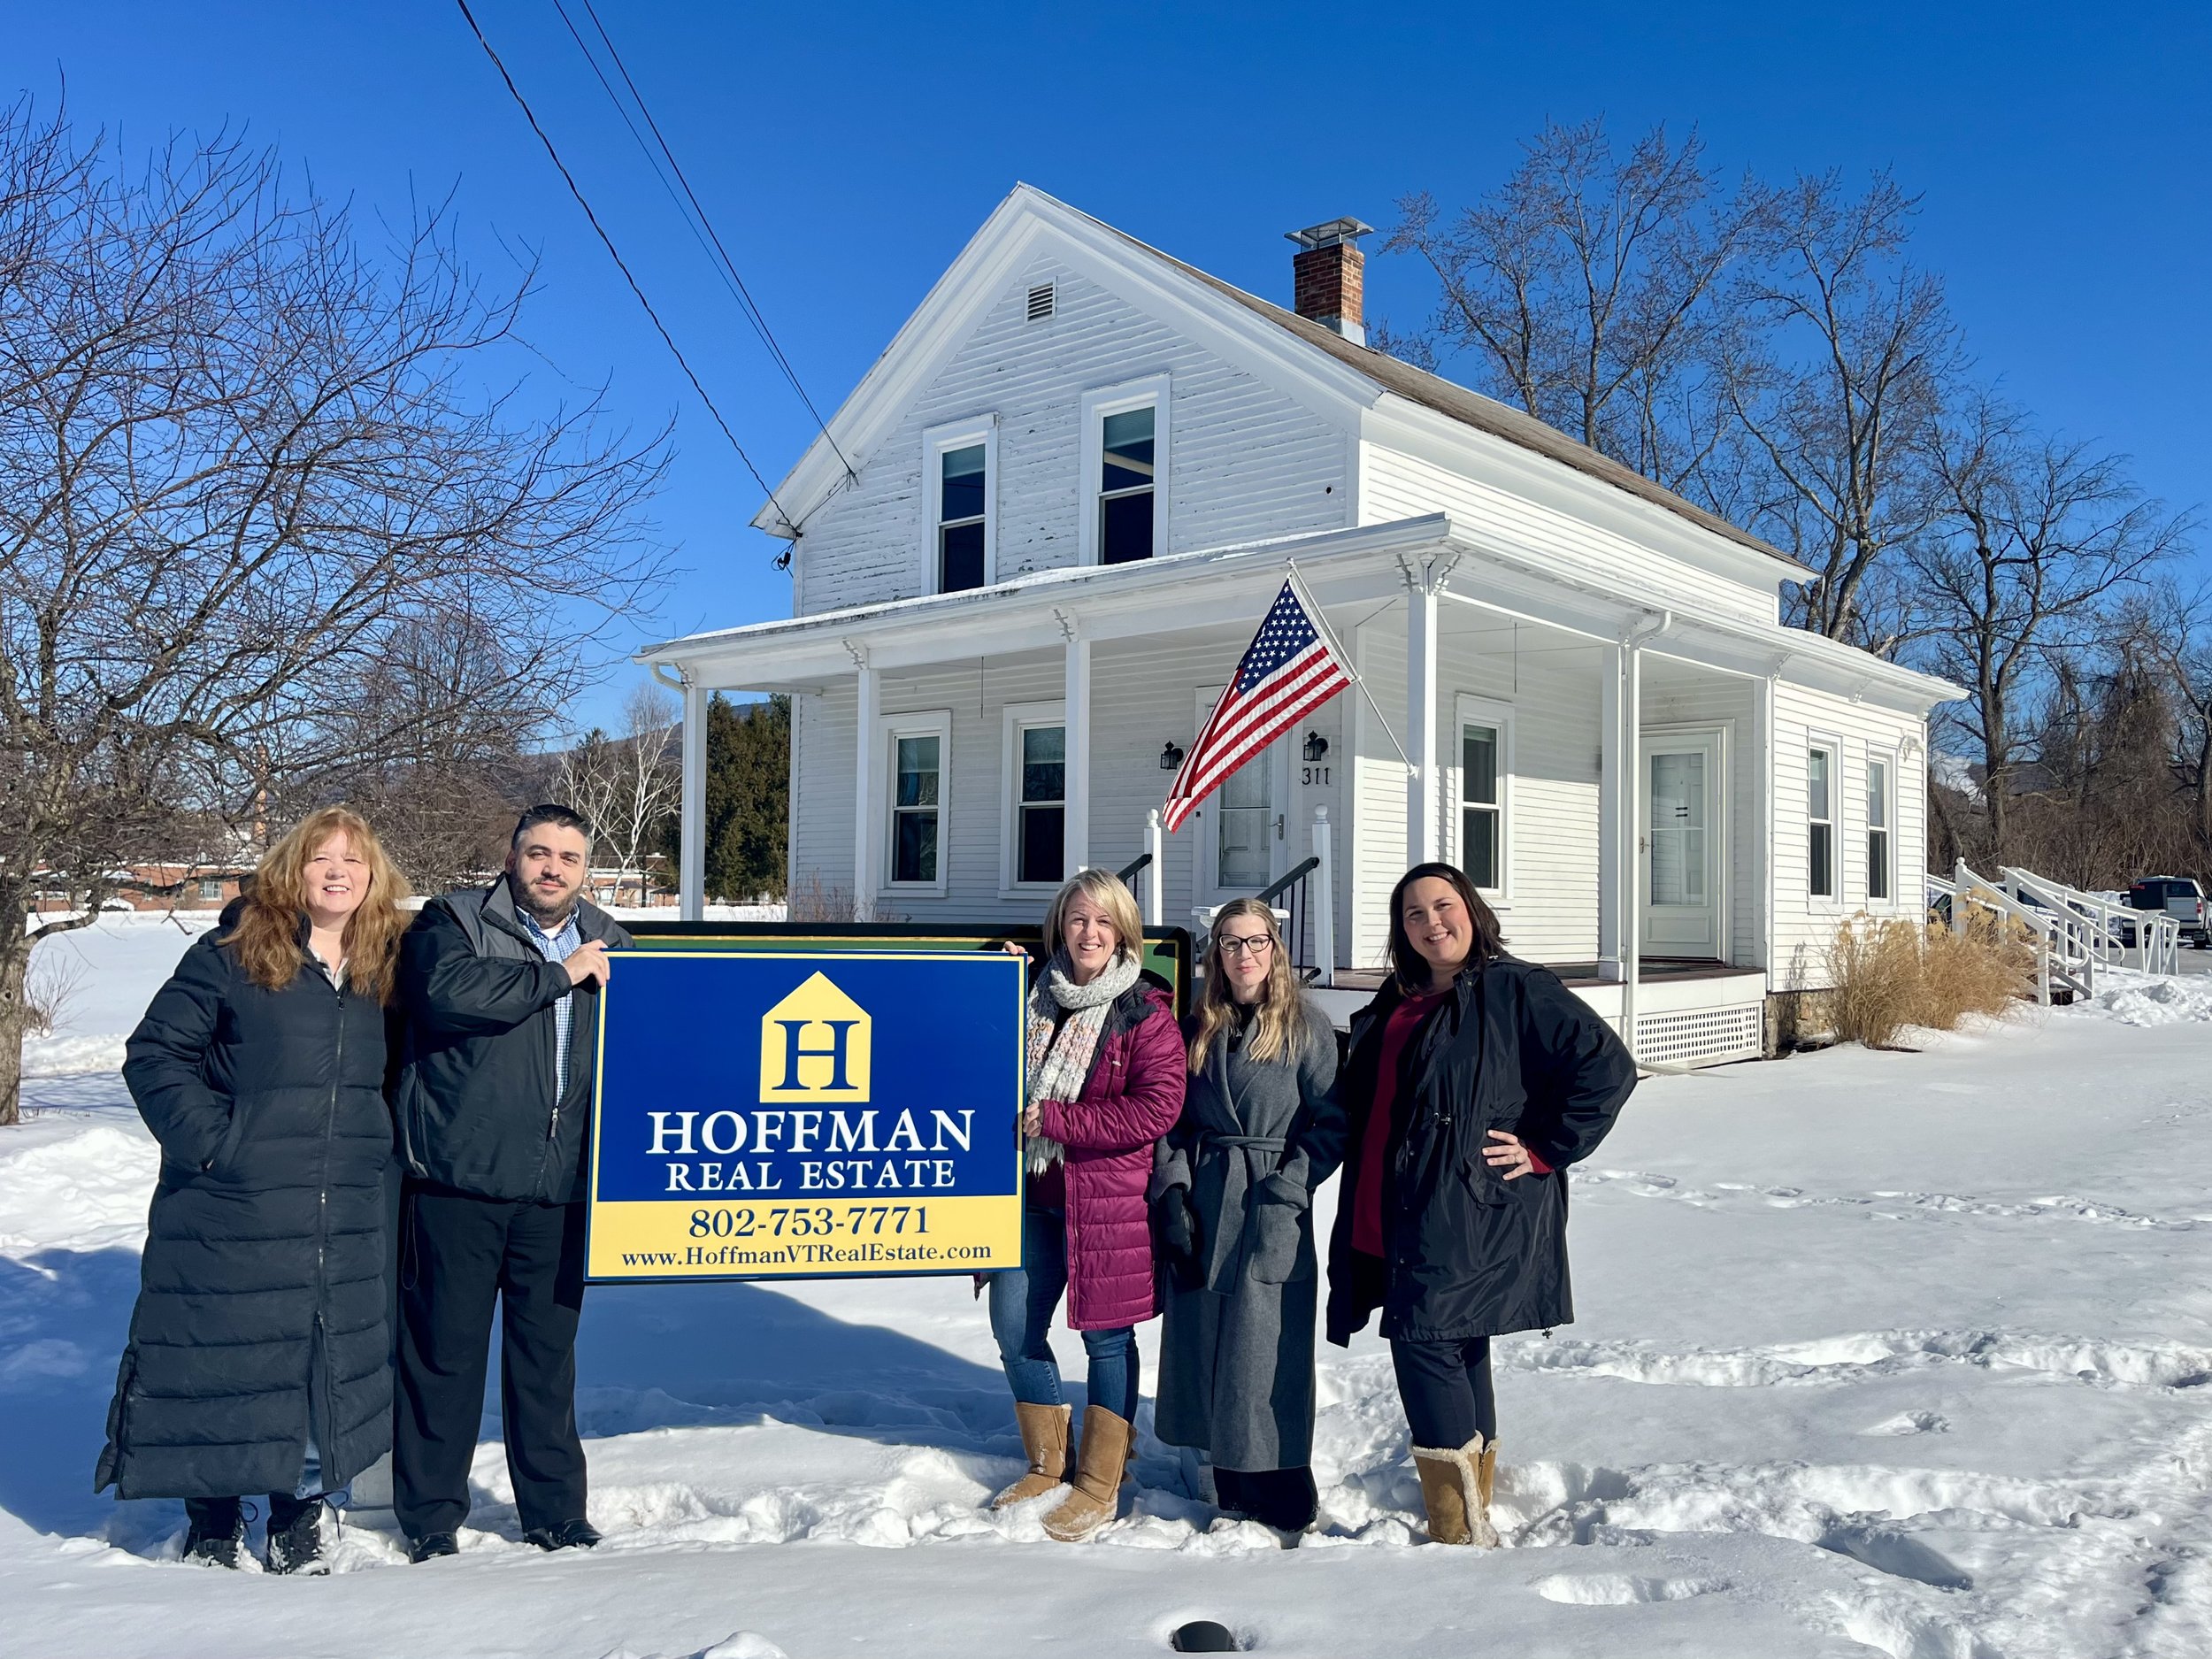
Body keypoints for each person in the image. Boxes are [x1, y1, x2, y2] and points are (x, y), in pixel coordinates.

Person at [97, 808, 411, 1572]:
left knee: (313, 1360)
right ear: (291, 869)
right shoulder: (234, 952)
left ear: (374, 877)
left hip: (341, 1209)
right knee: (222, 1356)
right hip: (233, 1203)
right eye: (320, 858)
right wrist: (215, 1143)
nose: (337, 871)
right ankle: (212, 1516)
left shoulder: (383, 963)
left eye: (353, 860)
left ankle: (299, 1511)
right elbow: (154, 1054)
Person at [1315, 861, 1635, 1547]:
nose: (1433, 922)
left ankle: (1458, 1530)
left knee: (1425, 1342)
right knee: (1458, 1344)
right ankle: (1474, 1500)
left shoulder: (1515, 989)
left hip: (1462, 1207)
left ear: (1472, 908)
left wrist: (1545, 1147)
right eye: (1414, 913)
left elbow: (1607, 1067)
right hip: (1392, 1201)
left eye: (1443, 905)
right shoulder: (1399, 999)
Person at [391, 804, 632, 1562]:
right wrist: (562, 973)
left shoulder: (616, 940)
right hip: (461, 1180)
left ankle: (555, 1511)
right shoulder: (452, 922)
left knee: (546, 1361)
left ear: (585, 868)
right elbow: (449, 996)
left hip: (560, 1187)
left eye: (567, 856)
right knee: (444, 1356)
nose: (551, 867)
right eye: (537, 852)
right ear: (511, 856)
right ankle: (431, 1516)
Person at [987, 868, 1184, 1542]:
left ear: (1123, 930)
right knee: (1014, 1328)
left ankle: (1102, 1479)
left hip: (1104, 1203)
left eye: (1103, 921)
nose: (1089, 932)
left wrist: (1061, 1121)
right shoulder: (1032, 997)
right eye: (1077, 919)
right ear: (1060, 927)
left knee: (1106, 1338)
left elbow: (1157, 1107)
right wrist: (995, 976)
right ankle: (1048, 1461)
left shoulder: (1145, 1011)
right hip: (1026, 1200)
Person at [1151, 897, 1340, 1538]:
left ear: (1275, 948)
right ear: (1216, 952)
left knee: (1268, 1349)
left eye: (1256, 941)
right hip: (1208, 1197)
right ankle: (1223, 1474)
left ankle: (1283, 1483)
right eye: (1231, 942)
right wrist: (1173, 1193)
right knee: (1209, 1343)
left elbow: (1333, 1124)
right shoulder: (1196, 1025)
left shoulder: (1306, 1029)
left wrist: (1289, 1188)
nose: (1244, 954)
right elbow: (1169, 1119)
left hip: (1269, 1202)